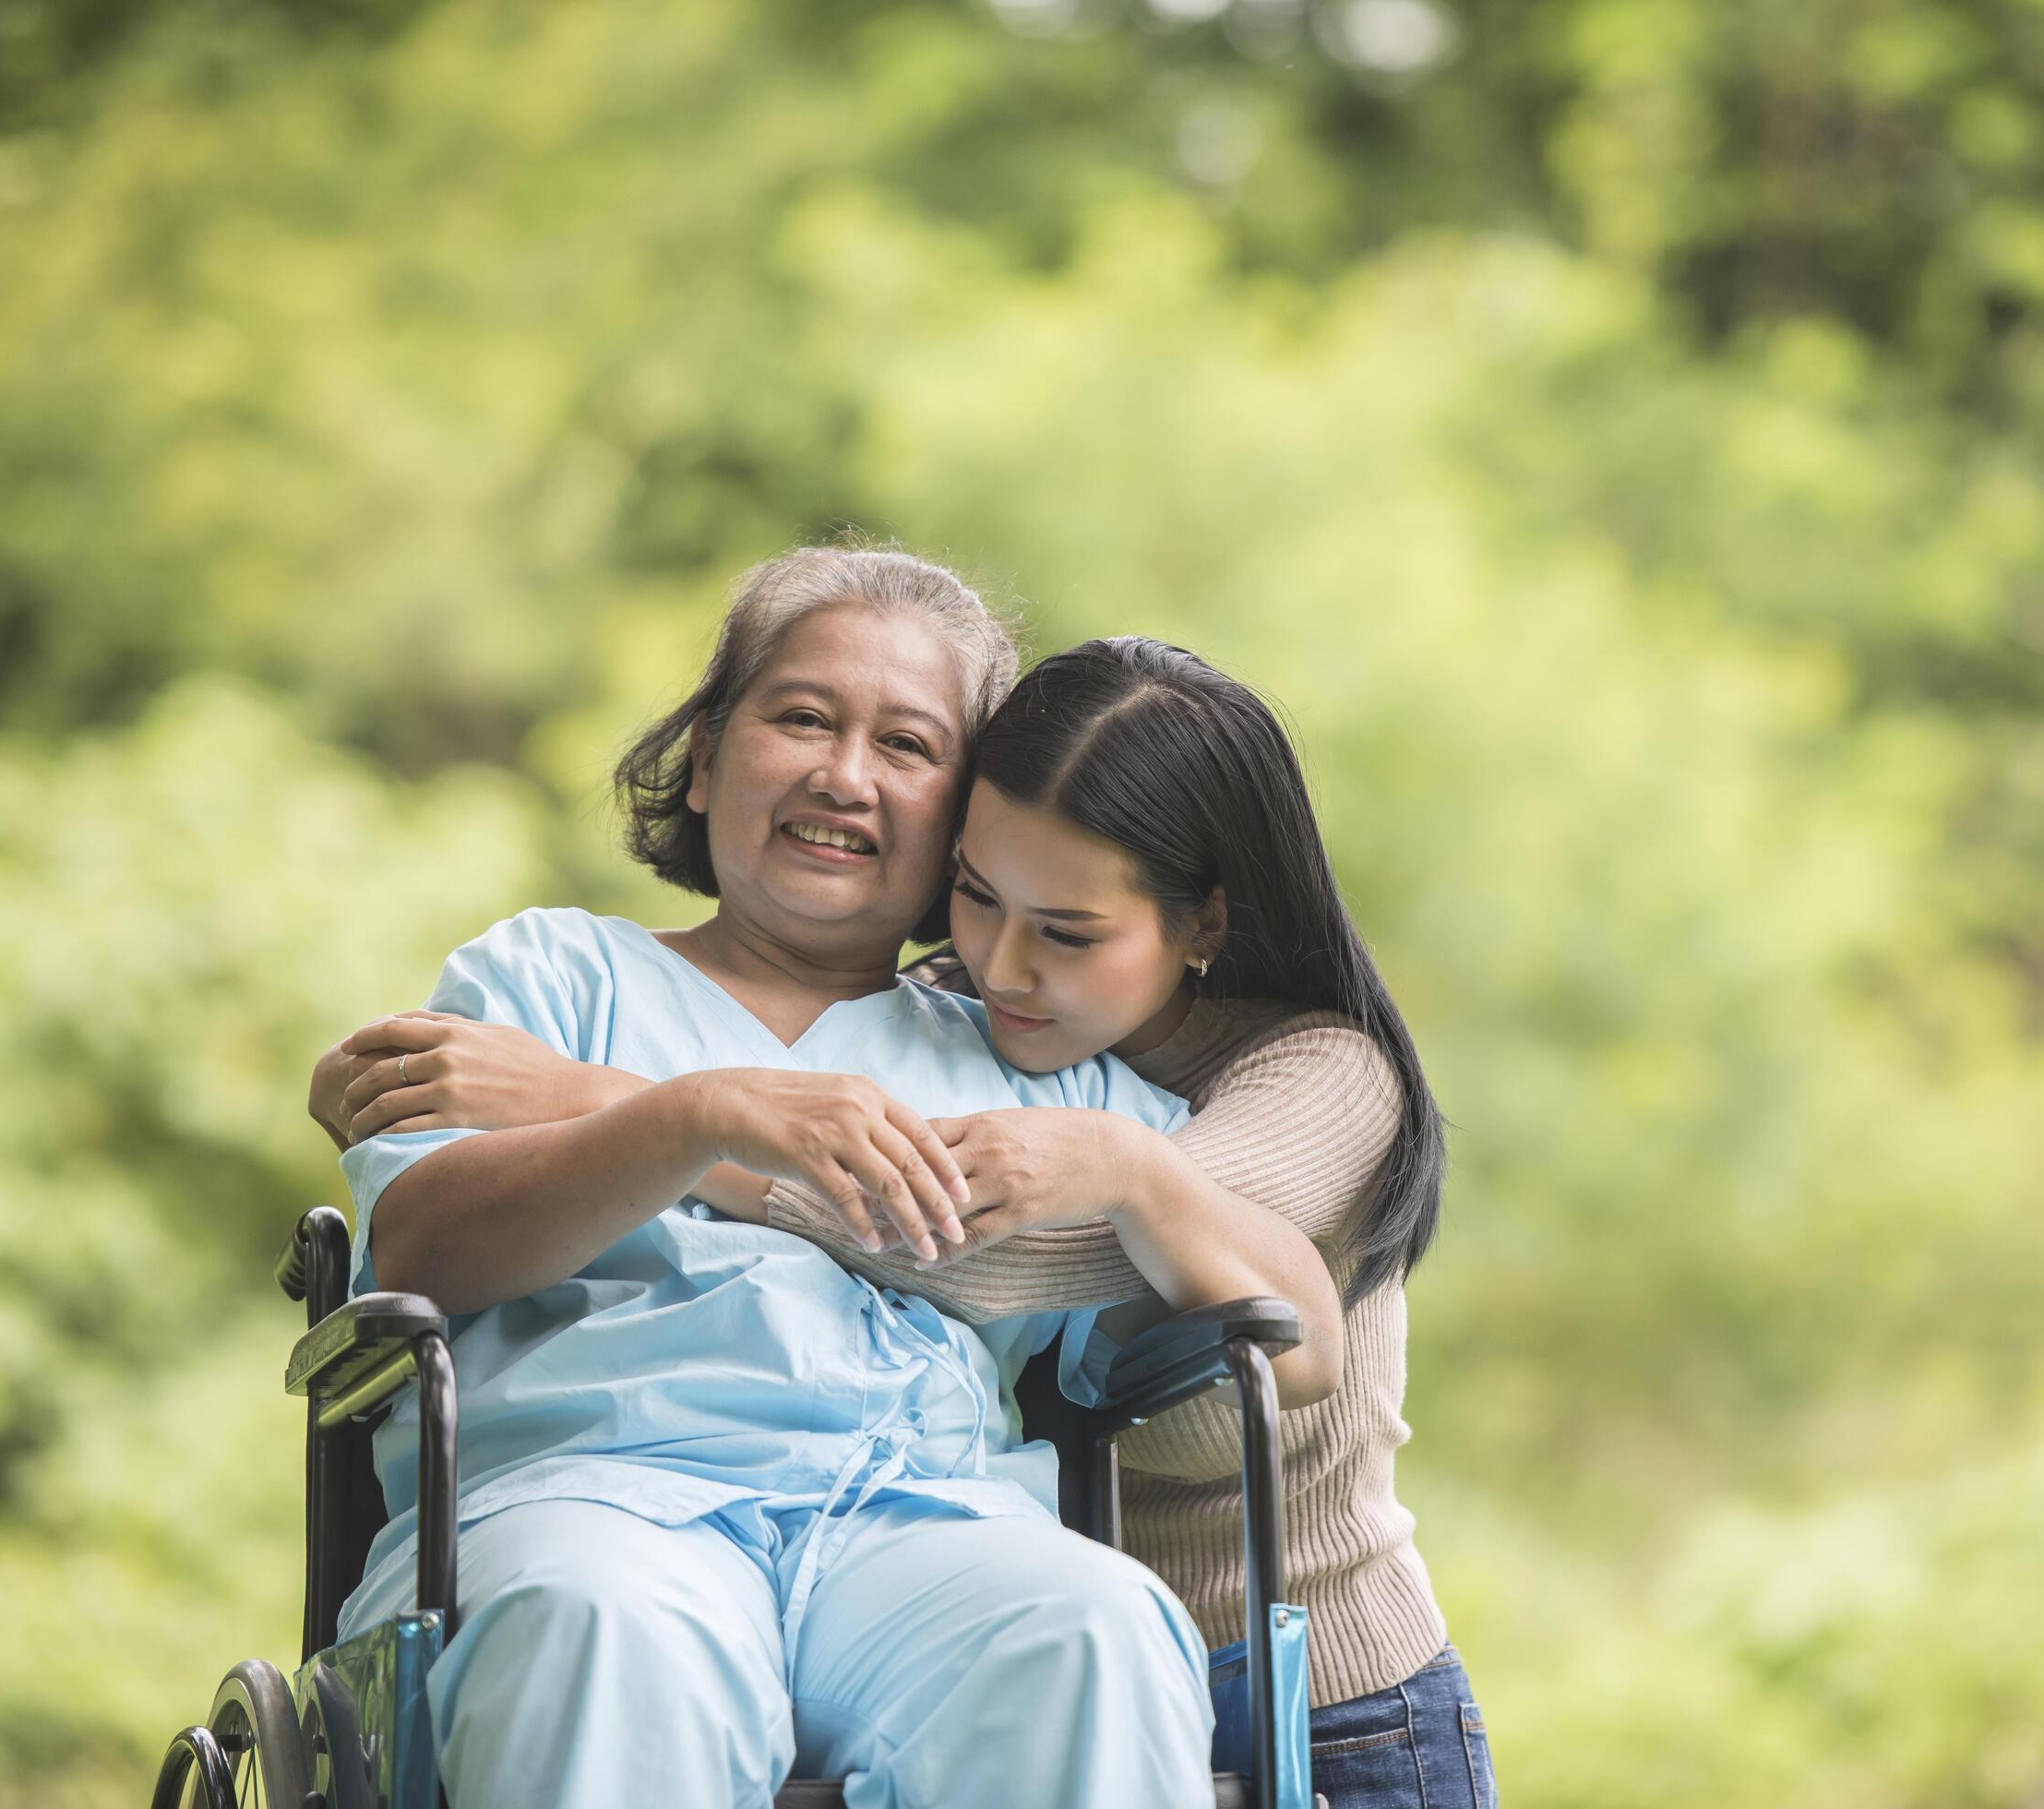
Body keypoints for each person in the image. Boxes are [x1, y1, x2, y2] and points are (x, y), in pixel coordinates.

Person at [321, 635, 1498, 1807]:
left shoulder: (1083, 1071)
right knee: (598, 1626)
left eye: (904, 744)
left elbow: (1287, 1335)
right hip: (600, 1497)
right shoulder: (551, 975)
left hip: (1002, 1549)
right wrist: (688, 1117)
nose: (845, 776)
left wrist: (690, 1123)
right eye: (800, 719)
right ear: (703, 758)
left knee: (1088, 1627)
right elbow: (423, 1239)